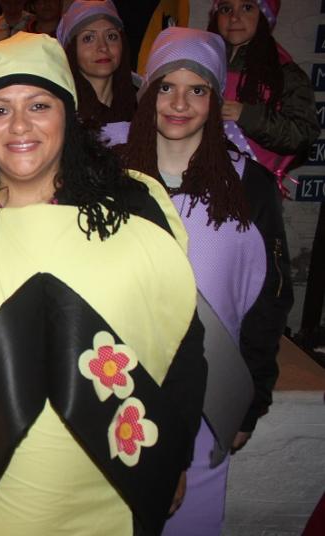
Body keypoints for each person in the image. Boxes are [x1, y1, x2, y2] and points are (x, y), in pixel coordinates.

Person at [0, 32, 207, 534]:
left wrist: (175, 452)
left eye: (39, 105)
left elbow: (182, 343)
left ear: (69, 114)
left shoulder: (132, 210)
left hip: (113, 483)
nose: (20, 125)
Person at [120, 27, 293, 535]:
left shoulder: (250, 186)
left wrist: (249, 402)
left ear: (216, 99)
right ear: (147, 93)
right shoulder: (109, 178)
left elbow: (269, 302)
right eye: (166, 87)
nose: (179, 103)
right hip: (114, 390)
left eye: (197, 89)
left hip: (207, 406)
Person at [208, 0, 318, 182]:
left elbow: (302, 133)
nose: (234, 17)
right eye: (226, 9)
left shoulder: (283, 73)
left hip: (253, 185)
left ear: (264, 16)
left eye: (247, 8)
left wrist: (246, 115)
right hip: (197, 178)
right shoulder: (202, 62)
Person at [56, 0, 137, 127]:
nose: (103, 47)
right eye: (88, 38)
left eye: (111, 36)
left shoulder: (143, 105)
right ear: (72, 50)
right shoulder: (61, 111)